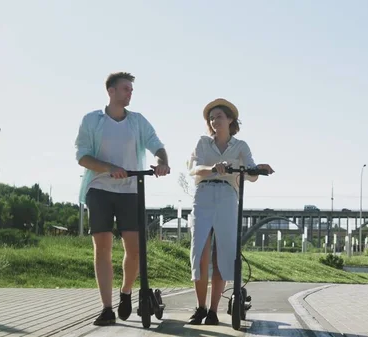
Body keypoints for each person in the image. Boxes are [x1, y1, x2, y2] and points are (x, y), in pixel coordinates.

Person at [74, 71, 170, 326]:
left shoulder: (137, 121)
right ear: (111, 91)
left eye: (131, 89)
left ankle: (126, 292)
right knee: (102, 248)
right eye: (125, 89)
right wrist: (108, 168)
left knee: (135, 250)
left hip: (130, 191)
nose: (130, 93)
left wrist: (162, 161)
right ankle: (107, 308)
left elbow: (156, 145)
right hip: (99, 189)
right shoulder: (92, 120)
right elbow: (82, 156)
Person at [187, 98, 274, 325]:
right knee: (200, 251)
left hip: (227, 196)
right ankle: (200, 307)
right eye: (212, 117)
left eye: (219, 116)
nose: (215, 120)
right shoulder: (203, 143)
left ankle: (214, 310)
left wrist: (259, 169)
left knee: (223, 254)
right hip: (204, 194)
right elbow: (193, 168)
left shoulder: (240, 146)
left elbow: (251, 173)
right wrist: (212, 168)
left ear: (230, 120)